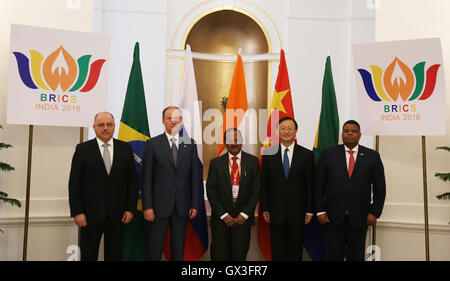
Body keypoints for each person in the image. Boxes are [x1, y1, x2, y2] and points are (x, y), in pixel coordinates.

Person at [68, 112, 137, 261]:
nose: (105, 128)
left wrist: (130, 208)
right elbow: (74, 184)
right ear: (94, 127)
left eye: (109, 125)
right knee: (88, 255)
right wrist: (77, 212)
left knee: (115, 255)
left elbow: (132, 182)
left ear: (114, 127)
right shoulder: (82, 149)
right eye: (101, 125)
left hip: (118, 215)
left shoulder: (125, 148)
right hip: (89, 215)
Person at [315, 120, 386, 261]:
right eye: (346, 131)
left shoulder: (372, 156)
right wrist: (320, 210)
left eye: (354, 131)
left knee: (356, 256)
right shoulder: (328, 154)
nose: (350, 134)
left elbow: (380, 189)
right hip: (333, 217)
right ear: (342, 134)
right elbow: (319, 185)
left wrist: (374, 213)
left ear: (359, 135)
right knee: (333, 255)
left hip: (360, 217)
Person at [141, 106, 200, 261]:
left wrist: (194, 204)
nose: (174, 122)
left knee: (178, 252)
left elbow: (194, 177)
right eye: (170, 118)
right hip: (158, 207)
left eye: (177, 118)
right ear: (163, 121)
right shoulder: (152, 144)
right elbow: (146, 178)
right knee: (154, 251)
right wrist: (147, 206)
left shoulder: (190, 144)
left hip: (182, 207)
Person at [260, 116, 315, 261]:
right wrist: (264, 208)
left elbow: (310, 184)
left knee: (295, 251)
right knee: (277, 251)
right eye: (283, 128)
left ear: (296, 131)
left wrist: (310, 209)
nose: (286, 131)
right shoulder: (268, 153)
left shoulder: (307, 154)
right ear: (278, 131)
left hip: (298, 211)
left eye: (290, 128)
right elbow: (264, 183)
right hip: (274, 211)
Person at [206, 128, 260, 261]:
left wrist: (244, 214)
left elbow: (256, 190)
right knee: (219, 256)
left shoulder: (253, 162)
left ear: (241, 142)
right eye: (230, 140)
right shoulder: (215, 163)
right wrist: (224, 215)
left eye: (236, 140)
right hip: (220, 221)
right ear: (225, 142)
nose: (233, 143)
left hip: (243, 221)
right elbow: (211, 191)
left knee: (239, 257)